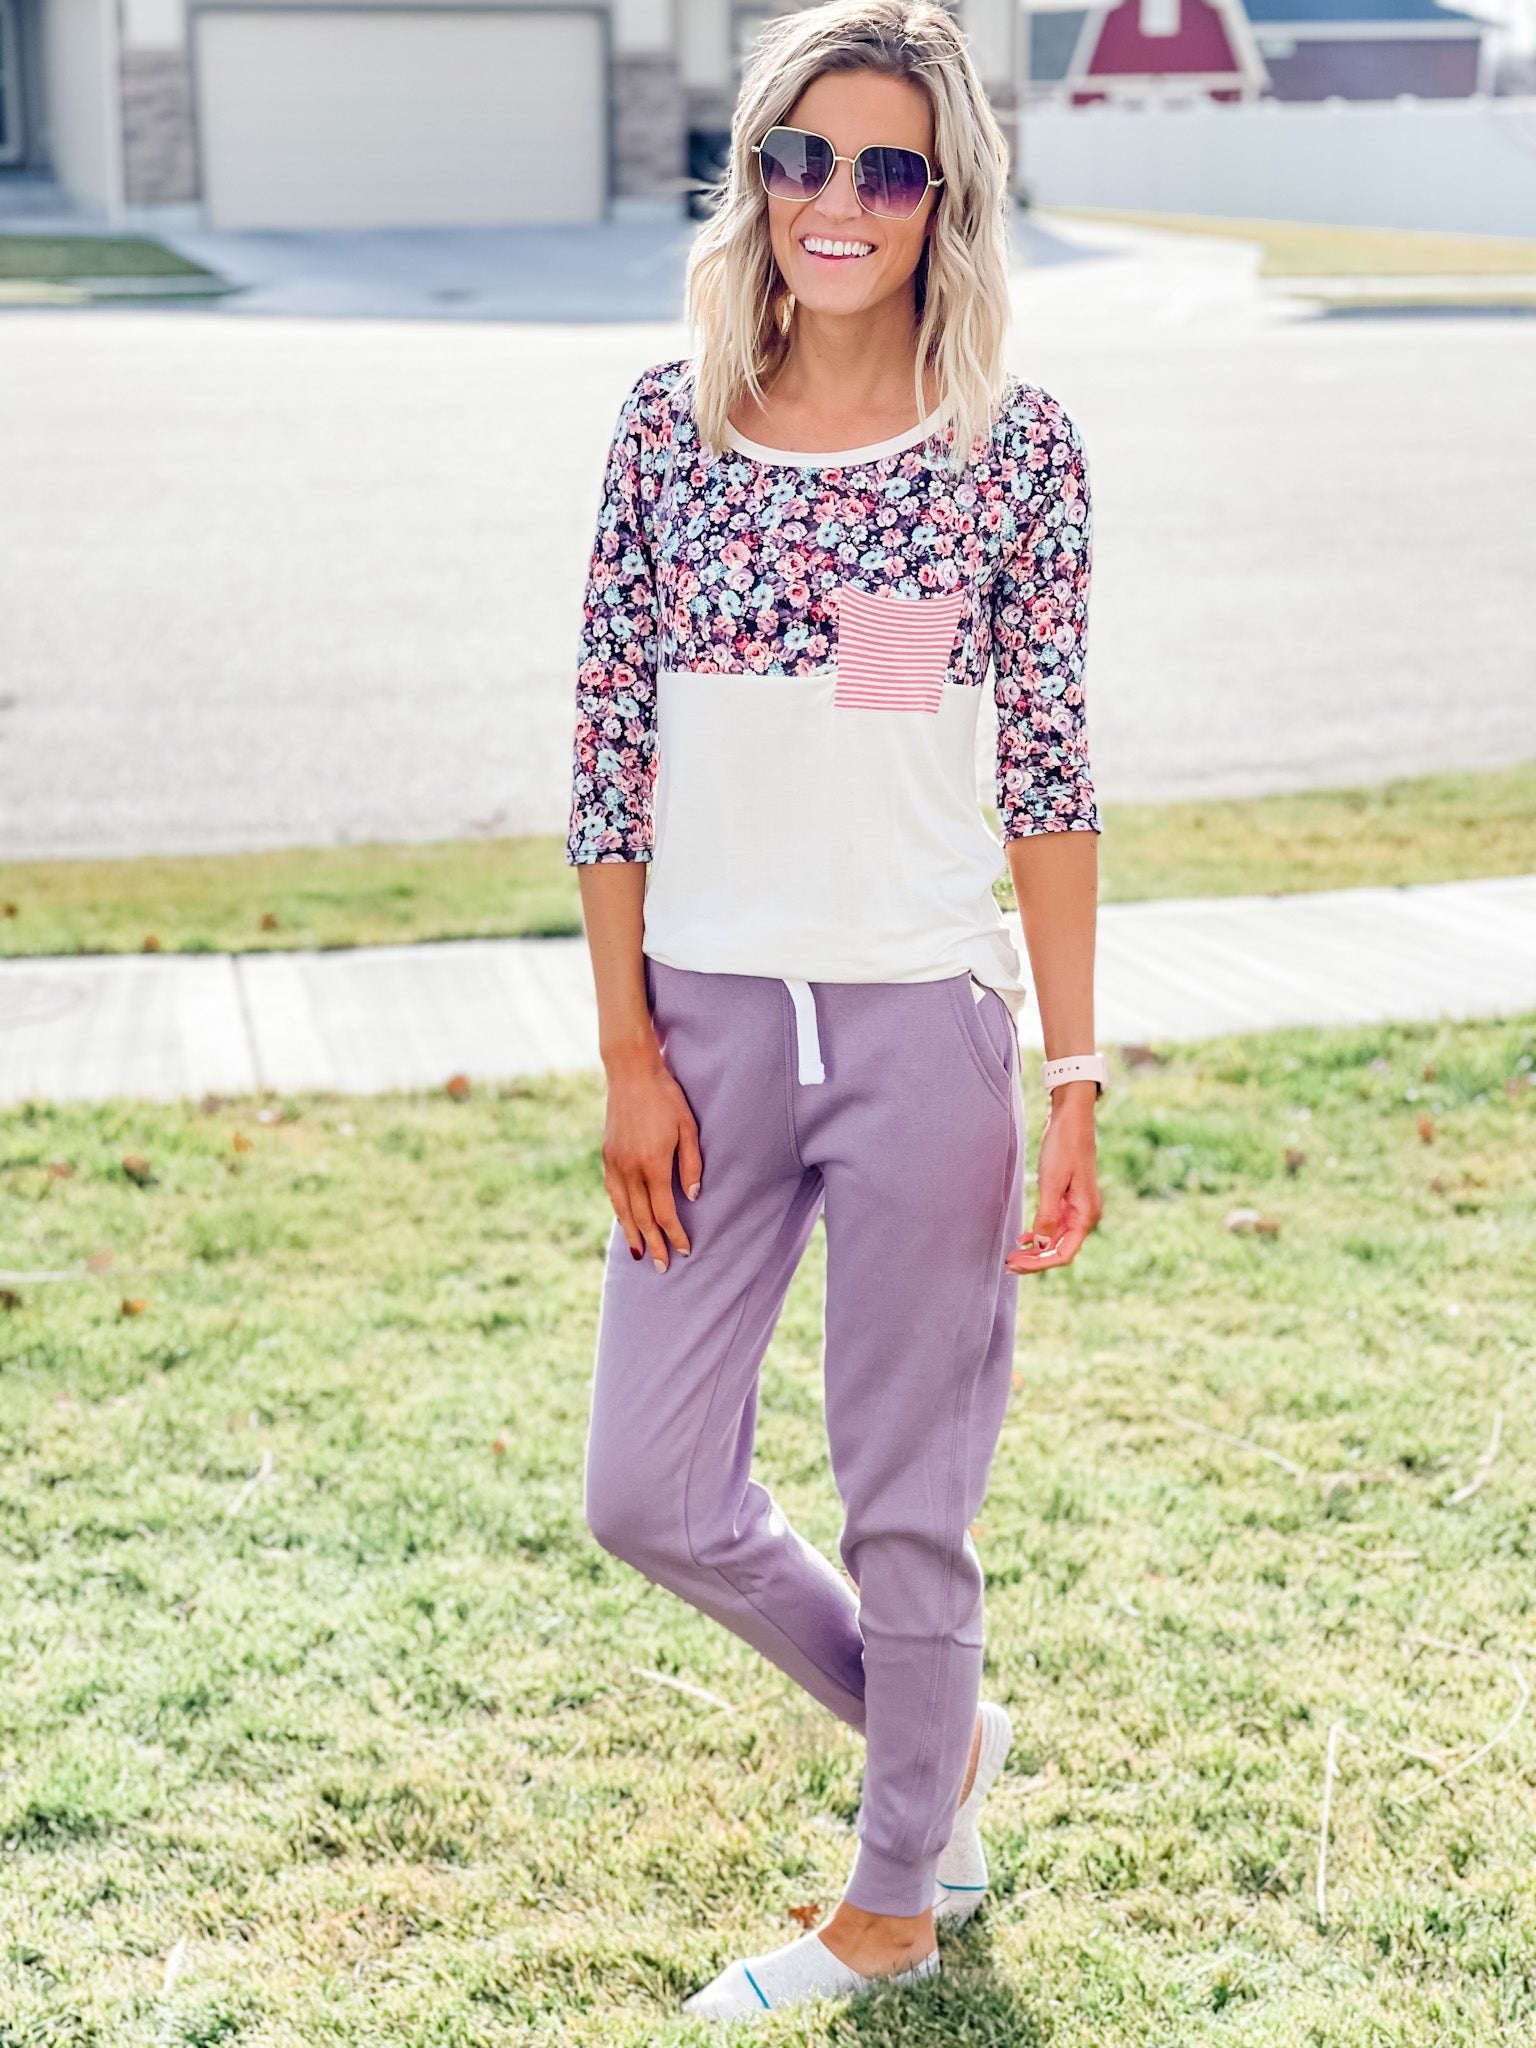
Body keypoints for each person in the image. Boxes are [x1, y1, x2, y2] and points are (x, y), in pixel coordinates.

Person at [565, 0, 1106, 2019]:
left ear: (945, 194)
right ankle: (934, 1738)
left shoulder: (1011, 454)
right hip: (705, 1029)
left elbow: (1046, 772)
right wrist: (629, 1049)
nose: (841, 200)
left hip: (921, 1027)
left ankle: (894, 1906)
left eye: (889, 166)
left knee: (909, 1497)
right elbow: (610, 752)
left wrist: (1073, 1067)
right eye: (805, 156)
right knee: (648, 1489)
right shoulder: (666, 426)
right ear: (758, 178)